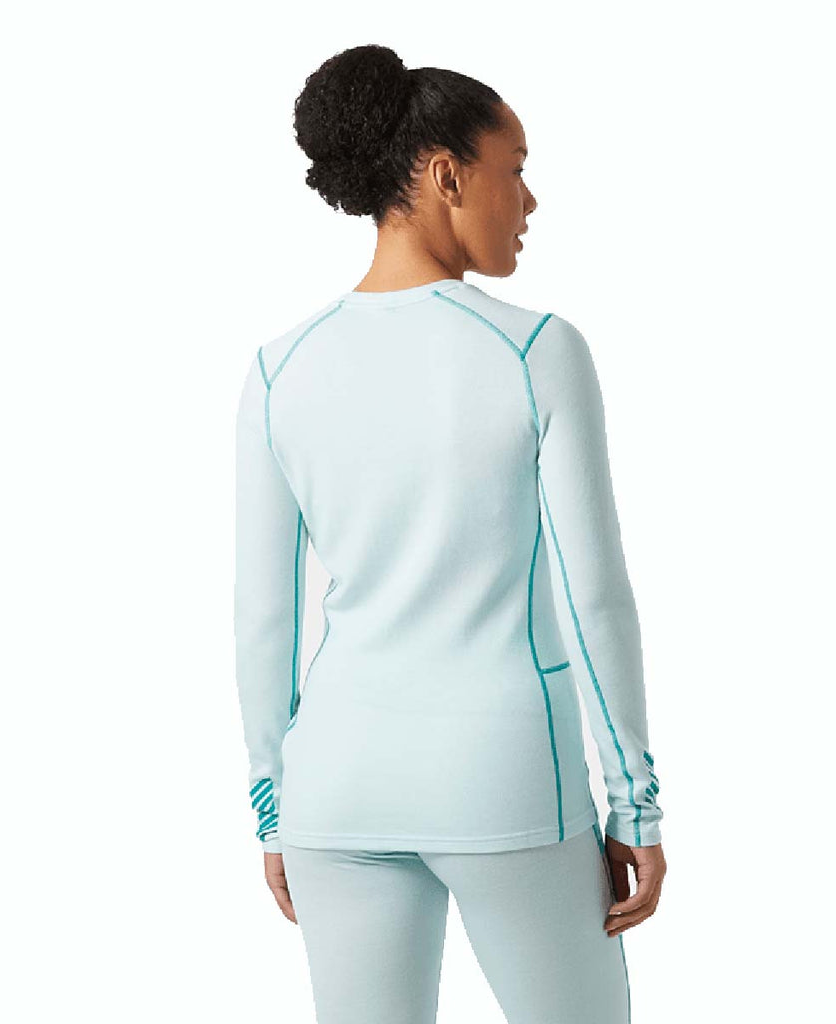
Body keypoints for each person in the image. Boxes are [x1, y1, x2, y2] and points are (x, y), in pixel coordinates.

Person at [234, 43, 667, 1024]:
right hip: (505, 778)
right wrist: (634, 803)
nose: (530, 200)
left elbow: (265, 616)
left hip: (336, 791)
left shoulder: (278, 370)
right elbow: (595, 597)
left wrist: (273, 809)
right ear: (446, 176)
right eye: (515, 169)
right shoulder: (535, 350)